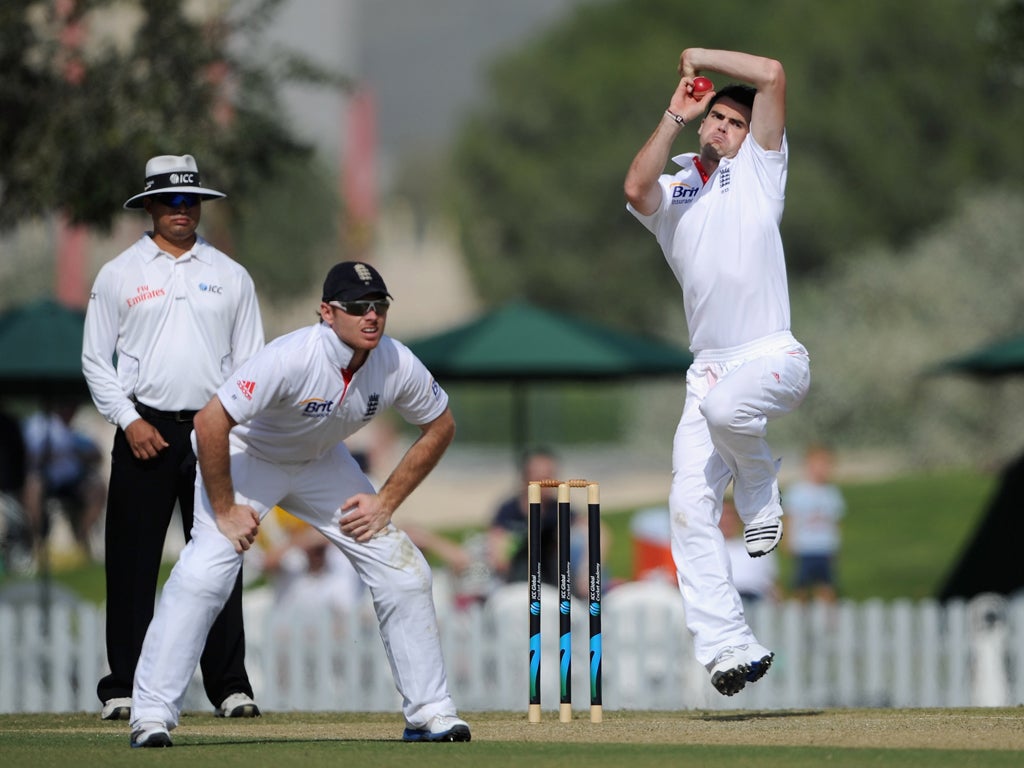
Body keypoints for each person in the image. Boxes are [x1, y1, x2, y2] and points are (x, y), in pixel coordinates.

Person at [127, 260, 472, 748]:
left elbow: (441, 425)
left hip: (320, 464)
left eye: (379, 306)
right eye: (357, 307)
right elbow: (209, 423)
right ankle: (151, 715)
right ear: (328, 313)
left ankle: (430, 712)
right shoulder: (292, 357)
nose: (371, 316)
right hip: (251, 456)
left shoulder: (395, 360)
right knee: (208, 570)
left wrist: (386, 502)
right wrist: (225, 509)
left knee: (405, 570)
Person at [624, 48, 811, 696]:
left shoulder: (762, 168)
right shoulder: (676, 191)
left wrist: (703, 56)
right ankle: (728, 647)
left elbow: (774, 75)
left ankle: (758, 484)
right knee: (687, 506)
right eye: (719, 119)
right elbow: (633, 188)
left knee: (726, 410)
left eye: (737, 120)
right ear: (703, 122)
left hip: (773, 356)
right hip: (707, 370)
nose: (726, 128)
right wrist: (675, 113)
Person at [82, 154, 264, 722]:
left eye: (191, 202)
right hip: (145, 426)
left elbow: (252, 362)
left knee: (217, 555)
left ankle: (230, 687)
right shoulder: (119, 273)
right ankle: (124, 688)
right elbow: (95, 360)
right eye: (171, 201)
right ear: (151, 207)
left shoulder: (231, 274)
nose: (182, 211)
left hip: (214, 427)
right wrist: (128, 421)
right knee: (132, 562)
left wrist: (235, 430)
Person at [21, 399, 106, 560]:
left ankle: (81, 538)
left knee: (97, 488)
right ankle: (38, 541)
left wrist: (77, 453)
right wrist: (50, 455)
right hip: (47, 478)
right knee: (33, 486)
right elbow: (28, 456)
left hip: (73, 480)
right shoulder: (38, 424)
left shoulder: (78, 426)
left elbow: (96, 455)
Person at [783, 444, 845, 603]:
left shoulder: (831, 492)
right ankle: (798, 616)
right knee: (801, 584)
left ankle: (829, 622)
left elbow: (836, 521)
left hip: (824, 546)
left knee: (826, 585)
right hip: (805, 546)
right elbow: (790, 518)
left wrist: (836, 544)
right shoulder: (797, 491)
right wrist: (788, 541)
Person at [719, 496, 779, 604]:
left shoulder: (758, 545)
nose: (726, 520)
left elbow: (771, 582)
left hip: (753, 597)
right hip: (721, 598)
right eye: (722, 515)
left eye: (730, 515)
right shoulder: (707, 549)